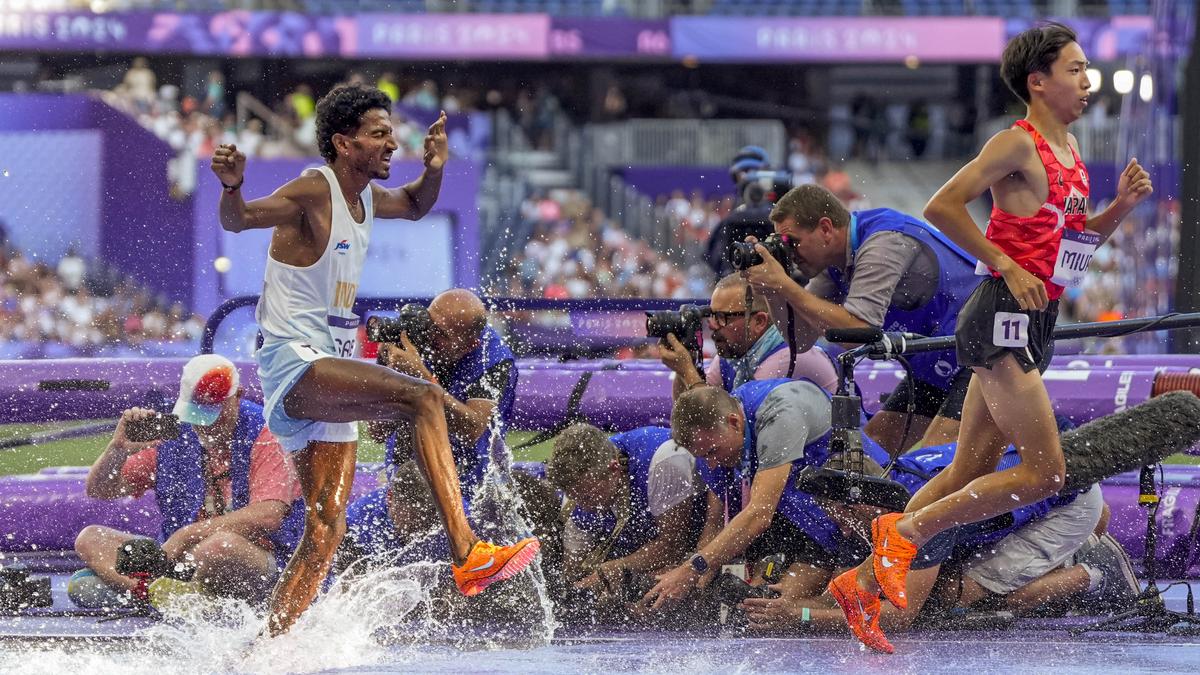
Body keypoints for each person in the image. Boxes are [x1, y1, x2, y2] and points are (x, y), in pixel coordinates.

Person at [829, 22, 1153, 653]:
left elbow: (1067, 259)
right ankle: (906, 535)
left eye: (1087, 70)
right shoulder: (1017, 144)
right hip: (1000, 317)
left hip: (1035, 320)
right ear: (1038, 81)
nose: (1087, 82)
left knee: (968, 469)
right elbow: (943, 206)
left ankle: (860, 582)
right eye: (1075, 70)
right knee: (1044, 475)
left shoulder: (1072, 152)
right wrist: (1004, 263)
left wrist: (1119, 210)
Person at [210, 84, 538, 636]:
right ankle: (468, 552)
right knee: (424, 396)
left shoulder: (364, 198)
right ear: (344, 142)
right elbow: (239, 219)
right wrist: (232, 186)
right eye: (379, 133)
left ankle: (267, 651)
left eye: (393, 132)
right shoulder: (315, 190)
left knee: (325, 530)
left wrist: (433, 167)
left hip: (323, 370)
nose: (393, 143)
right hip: (295, 363)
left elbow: (415, 204)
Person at [743, 447, 1135, 640]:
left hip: (1070, 502)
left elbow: (898, 618)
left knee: (958, 597)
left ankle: (1093, 570)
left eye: (841, 515)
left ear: (862, 502)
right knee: (930, 583)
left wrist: (802, 618)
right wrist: (788, 603)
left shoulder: (920, 514)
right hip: (1025, 490)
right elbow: (853, 588)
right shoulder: (869, 500)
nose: (839, 527)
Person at [742, 183, 980, 455]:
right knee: (868, 455)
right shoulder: (831, 266)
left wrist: (786, 285)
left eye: (792, 242)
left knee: (937, 456)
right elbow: (801, 338)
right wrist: (773, 291)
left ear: (826, 228)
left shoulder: (885, 239)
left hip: (983, 347)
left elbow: (859, 329)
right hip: (941, 358)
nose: (790, 254)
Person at [73, 354, 304, 606]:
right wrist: (117, 450)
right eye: (198, 413)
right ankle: (159, 595)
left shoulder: (267, 431)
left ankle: (145, 592)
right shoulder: (173, 432)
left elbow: (269, 515)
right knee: (90, 538)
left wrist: (185, 536)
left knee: (218, 547)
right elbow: (100, 490)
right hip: (179, 559)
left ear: (238, 396)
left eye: (215, 413)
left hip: (259, 559)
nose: (206, 425)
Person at [640, 380, 891, 609]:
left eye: (713, 452)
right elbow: (714, 526)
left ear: (734, 422)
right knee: (759, 601)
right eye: (704, 456)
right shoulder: (715, 442)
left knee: (815, 606)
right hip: (804, 513)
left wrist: (691, 569)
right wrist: (688, 588)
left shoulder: (780, 414)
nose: (712, 464)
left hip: (859, 511)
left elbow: (759, 516)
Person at [345, 288, 518, 555]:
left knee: (454, 560)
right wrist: (392, 377)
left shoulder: (493, 359)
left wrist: (422, 379)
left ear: (470, 343)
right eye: (430, 324)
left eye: (441, 336)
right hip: (404, 485)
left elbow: (471, 428)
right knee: (345, 533)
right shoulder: (410, 335)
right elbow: (377, 431)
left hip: (465, 490)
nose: (429, 337)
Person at [545, 424, 701, 595]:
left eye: (588, 497)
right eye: (575, 499)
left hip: (700, 542)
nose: (583, 506)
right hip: (647, 543)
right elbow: (572, 571)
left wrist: (617, 568)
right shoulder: (579, 487)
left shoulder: (663, 460)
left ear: (614, 469)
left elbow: (673, 546)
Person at [659, 273, 838, 399]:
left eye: (722, 317)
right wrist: (684, 366)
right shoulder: (736, 351)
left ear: (759, 321)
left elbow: (720, 429)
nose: (712, 324)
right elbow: (688, 423)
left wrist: (688, 371)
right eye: (711, 314)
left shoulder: (788, 358)